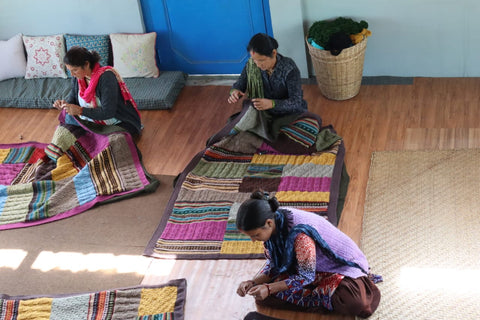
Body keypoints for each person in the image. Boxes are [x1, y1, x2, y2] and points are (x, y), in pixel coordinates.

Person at [236, 190, 381, 318]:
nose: (253, 240)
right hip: (307, 267)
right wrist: (253, 282)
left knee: (357, 303)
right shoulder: (273, 223)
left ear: (268, 223)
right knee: (262, 298)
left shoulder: (300, 234)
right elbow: (274, 263)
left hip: (338, 269)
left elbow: (306, 276)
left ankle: (322, 295)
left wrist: (268, 288)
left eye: (255, 235)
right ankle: (322, 296)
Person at [227, 33, 308, 141]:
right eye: (254, 60)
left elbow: (296, 102)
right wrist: (235, 91)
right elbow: (240, 83)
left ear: (274, 53)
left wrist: (271, 104)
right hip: (262, 110)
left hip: (286, 111)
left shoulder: (289, 69)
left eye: (261, 60)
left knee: (279, 132)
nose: (258, 64)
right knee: (241, 118)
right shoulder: (252, 65)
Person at [52, 46, 142, 137]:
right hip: (92, 120)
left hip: (116, 122)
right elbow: (73, 98)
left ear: (86, 64)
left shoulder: (106, 77)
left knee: (114, 141)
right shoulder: (78, 77)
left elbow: (108, 112)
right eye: (69, 71)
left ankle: (92, 138)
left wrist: (80, 110)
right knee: (65, 126)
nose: (72, 74)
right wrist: (65, 105)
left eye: (75, 70)